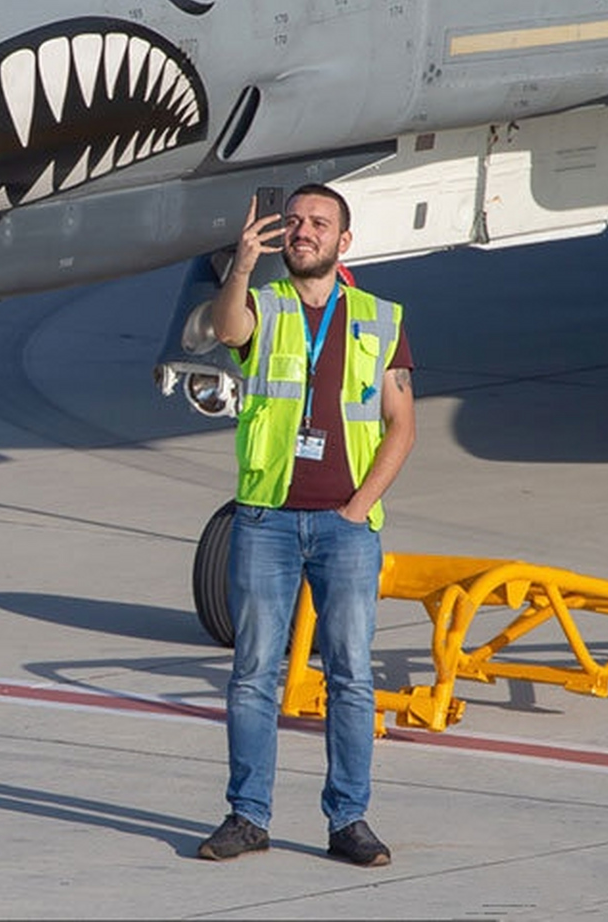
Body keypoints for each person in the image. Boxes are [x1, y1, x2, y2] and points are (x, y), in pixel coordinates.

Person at [196, 183, 416, 867]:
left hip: (344, 528)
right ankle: (246, 816)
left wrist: (356, 509)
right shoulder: (263, 306)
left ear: (342, 242)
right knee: (253, 673)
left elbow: (401, 428)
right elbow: (225, 331)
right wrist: (239, 265)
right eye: (293, 221)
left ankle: (348, 819)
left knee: (350, 676)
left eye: (319, 223)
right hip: (265, 520)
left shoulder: (380, 318)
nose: (303, 230)